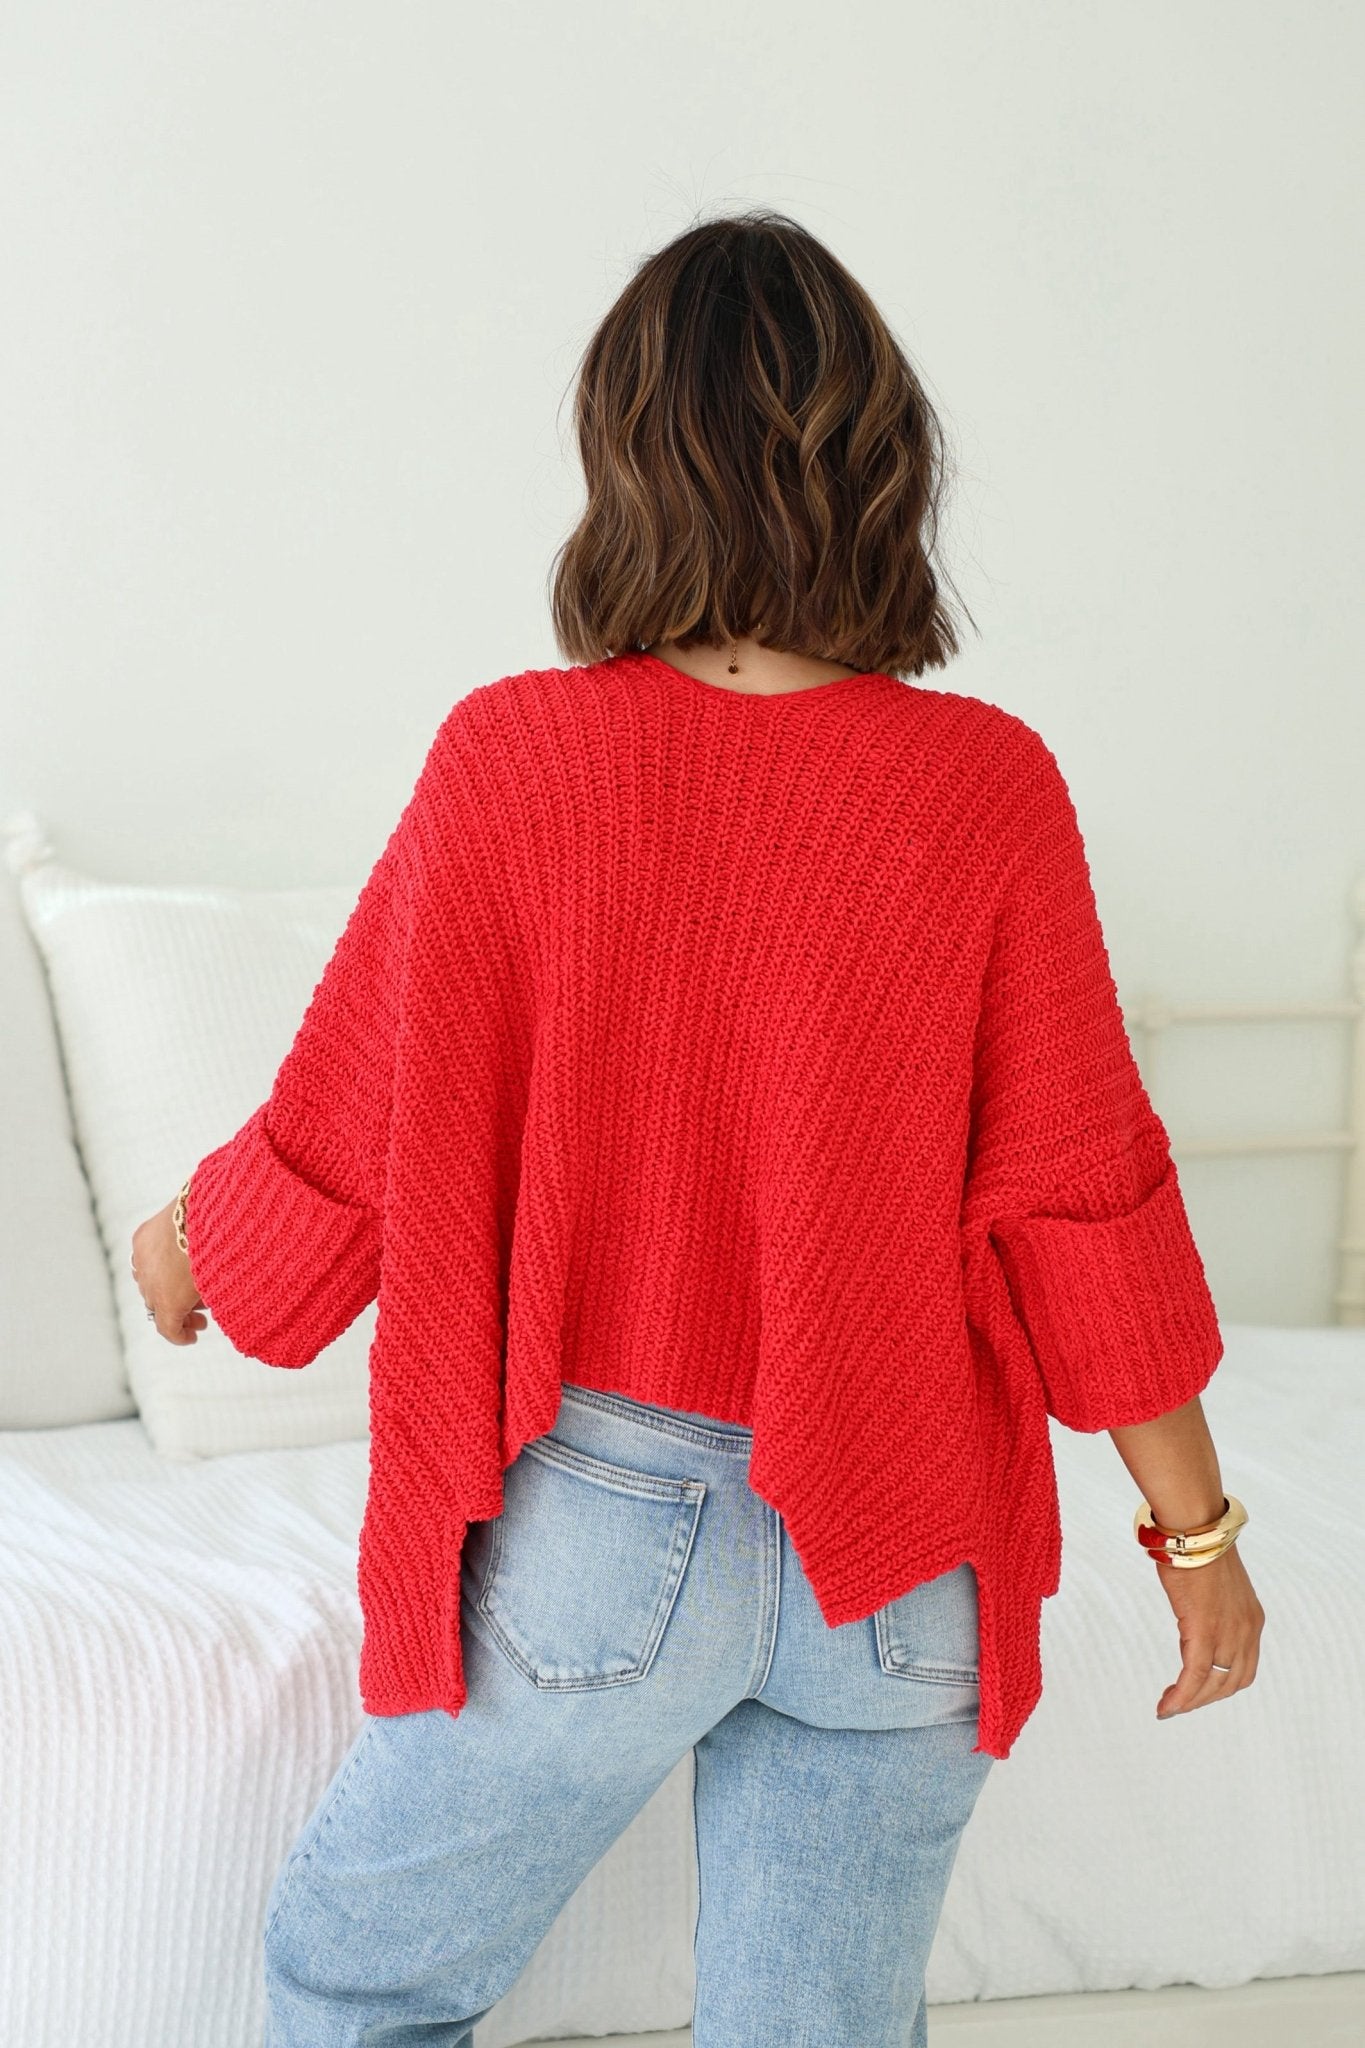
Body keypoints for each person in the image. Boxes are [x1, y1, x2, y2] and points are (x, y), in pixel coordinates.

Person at [129, 206, 1264, 2048]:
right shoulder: (988, 788)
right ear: (885, 466)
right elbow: (1083, 1209)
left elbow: (363, 1114)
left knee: (362, 1973)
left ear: (626, 461)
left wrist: (196, 1244)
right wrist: (1197, 1541)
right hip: (909, 1555)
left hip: (608, 1529)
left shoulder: (518, 754)